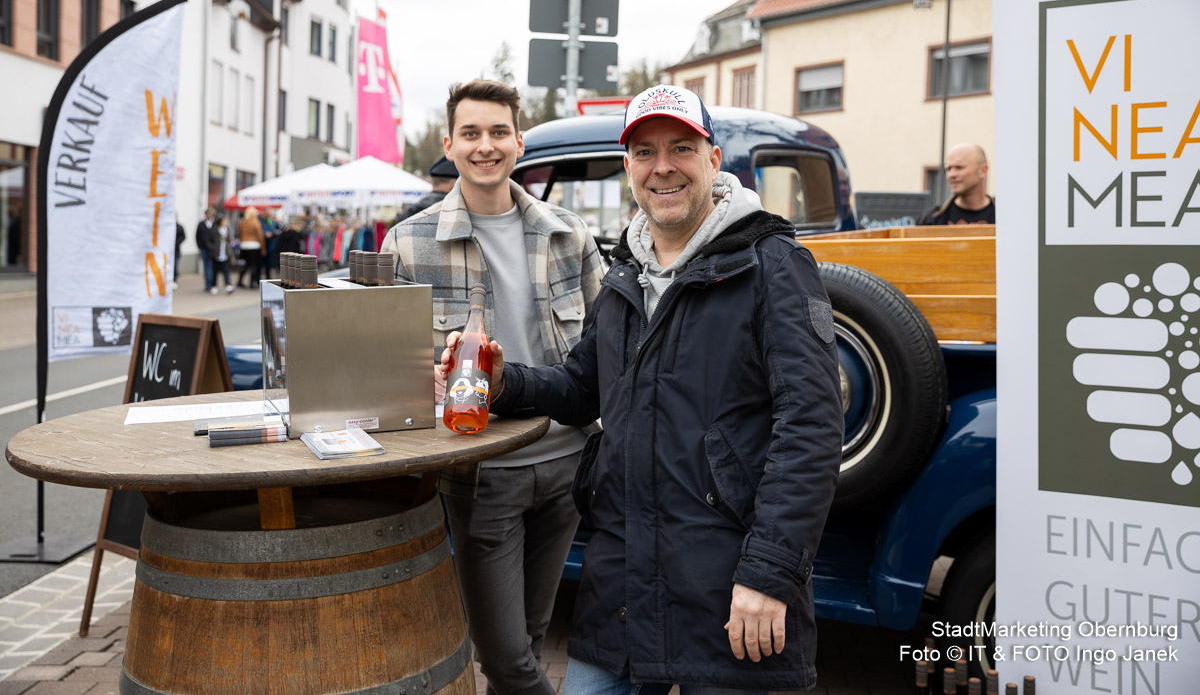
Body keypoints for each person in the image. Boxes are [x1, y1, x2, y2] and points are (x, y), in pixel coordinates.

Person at [441, 85, 844, 694]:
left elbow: (812, 427)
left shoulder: (772, 265)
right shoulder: (625, 272)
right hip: (623, 587)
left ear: (713, 160)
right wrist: (504, 381)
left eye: (681, 148)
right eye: (645, 152)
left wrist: (769, 573)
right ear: (628, 167)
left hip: (728, 586)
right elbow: (582, 387)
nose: (663, 167)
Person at [380, 79, 604, 695]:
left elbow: (608, 348)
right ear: (448, 144)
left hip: (566, 462)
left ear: (519, 143)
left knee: (530, 638)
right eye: (471, 133)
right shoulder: (408, 243)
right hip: (482, 474)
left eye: (499, 132)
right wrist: (423, 377)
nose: (486, 146)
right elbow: (387, 371)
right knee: (505, 657)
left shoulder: (569, 234)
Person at [917, 143, 995, 225]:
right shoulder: (931, 220)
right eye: (948, 169)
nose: (952, 175)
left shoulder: (1002, 216)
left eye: (959, 167)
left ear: (983, 170)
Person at [236, 206, 265, 289]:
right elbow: (260, 236)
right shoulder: (256, 222)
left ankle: (240, 281)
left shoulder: (242, 222)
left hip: (244, 245)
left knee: (245, 265)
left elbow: (239, 234)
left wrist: (242, 242)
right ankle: (252, 283)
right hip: (254, 245)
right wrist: (263, 248)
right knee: (254, 265)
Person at [206, 214, 235, 294]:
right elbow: (209, 241)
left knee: (226, 271)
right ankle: (214, 286)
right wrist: (212, 248)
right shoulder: (214, 230)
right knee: (215, 271)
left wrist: (230, 248)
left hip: (225, 253)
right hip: (216, 253)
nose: (225, 222)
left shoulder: (227, 230)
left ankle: (228, 285)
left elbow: (231, 240)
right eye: (223, 221)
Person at [195, 207, 216, 291]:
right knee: (206, 266)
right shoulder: (201, 224)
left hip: (213, 249)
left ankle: (212, 283)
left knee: (211, 266)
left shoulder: (215, 224)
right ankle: (208, 283)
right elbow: (197, 236)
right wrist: (200, 246)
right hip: (204, 248)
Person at [173, 216, 185, 290]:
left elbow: (183, 236)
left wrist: (176, 243)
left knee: (175, 266)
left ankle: (174, 280)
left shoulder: (179, 227)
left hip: (176, 250)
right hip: (168, 252)